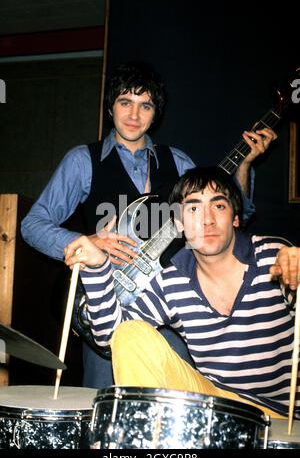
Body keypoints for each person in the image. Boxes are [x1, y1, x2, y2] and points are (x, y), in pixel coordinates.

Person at [21, 62, 277, 389]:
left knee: (182, 405)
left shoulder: (179, 162)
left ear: (155, 113)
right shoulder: (83, 160)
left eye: (146, 105)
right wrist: (88, 241)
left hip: (171, 310)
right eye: (125, 102)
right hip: (107, 303)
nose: (134, 114)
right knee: (109, 410)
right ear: (110, 107)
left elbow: (222, 209)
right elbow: (33, 225)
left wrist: (244, 166)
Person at [65, 166, 300, 419]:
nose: (207, 219)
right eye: (194, 208)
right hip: (218, 407)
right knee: (130, 333)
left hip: (283, 417)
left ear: (235, 217)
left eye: (218, 206)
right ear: (179, 222)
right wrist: (98, 269)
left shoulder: (274, 258)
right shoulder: (172, 280)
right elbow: (110, 338)